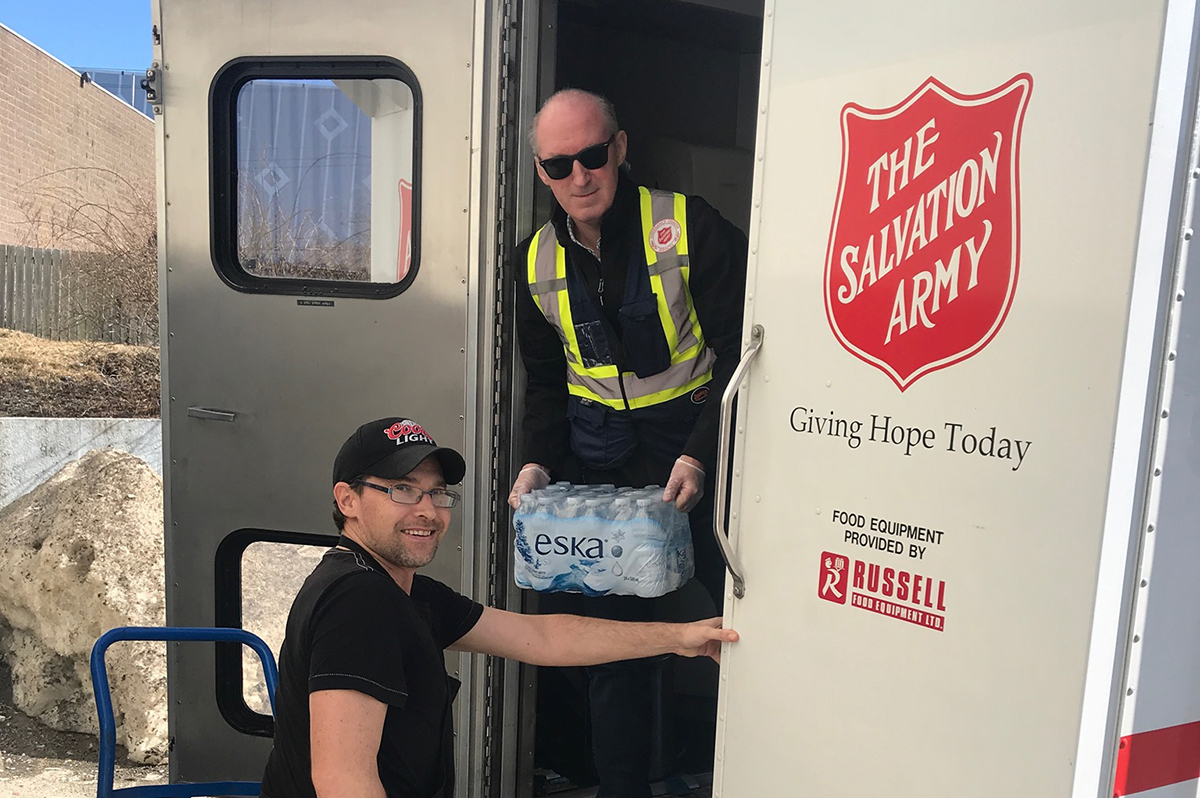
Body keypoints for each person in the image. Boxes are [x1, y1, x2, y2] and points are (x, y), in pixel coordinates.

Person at [258, 416, 736, 798]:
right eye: (402, 489)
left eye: (438, 493)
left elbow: (545, 637)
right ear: (348, 500)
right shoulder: (357, 602)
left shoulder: (403, 592)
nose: (427, 510)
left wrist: (679, 637)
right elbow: (344, 783)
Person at [508, 89, 748, 796]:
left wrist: (702, 452)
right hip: (601, 469)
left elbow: (742, 356)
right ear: (540, 170)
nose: (578, 177)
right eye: (559, 165)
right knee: (611, 648)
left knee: (743, 619)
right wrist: (536, 461)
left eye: (591, 156)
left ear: (618, 149)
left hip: (701, 454)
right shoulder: (533, 263)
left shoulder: (689, 227)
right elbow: (548, 383)